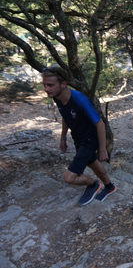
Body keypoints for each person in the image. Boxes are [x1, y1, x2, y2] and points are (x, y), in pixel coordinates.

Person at [42, 66, 116, 206]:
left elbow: (100, 124)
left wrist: (102, 149)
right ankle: (109, 186)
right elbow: (65, 116)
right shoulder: (57, 97)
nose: (46, 89)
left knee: (69, 178)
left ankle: (93, 184)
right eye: (45, 85)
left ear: (63, 84)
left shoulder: (80, 100)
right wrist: (63, 137)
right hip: (78, 138)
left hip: (90, 139)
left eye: (50, 85)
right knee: (92, 163)